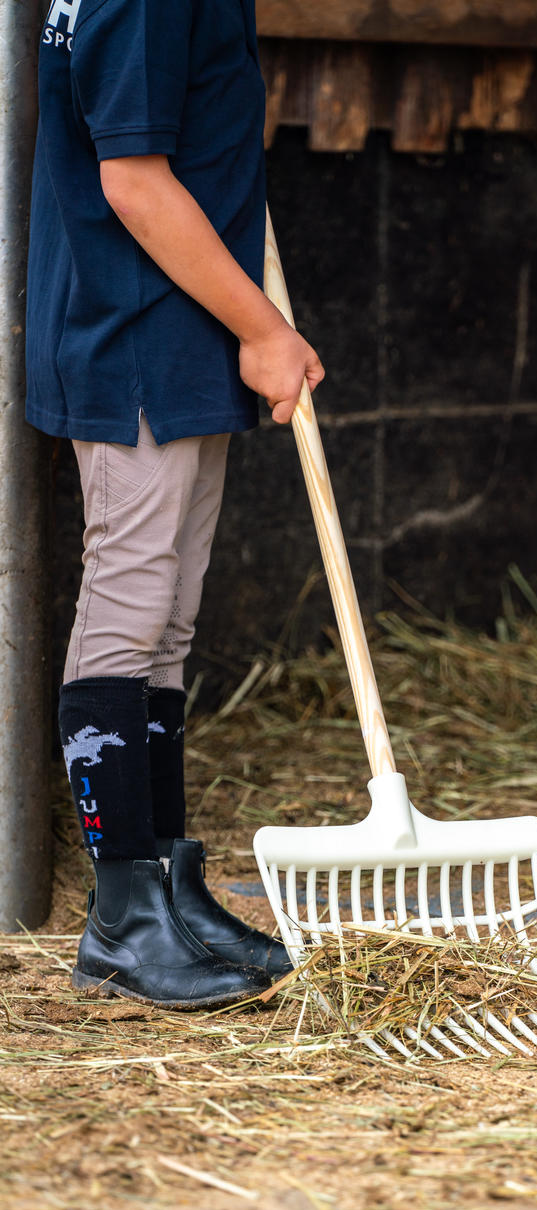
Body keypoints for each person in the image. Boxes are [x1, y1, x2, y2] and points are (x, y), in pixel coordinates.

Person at [26, 0, 324, 1008]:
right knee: (127, 605)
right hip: (136, 335)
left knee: (167, 618)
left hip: (178, 331)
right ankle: (118, 919)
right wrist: (264, 328)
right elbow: (134, 183)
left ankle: (164, 884)